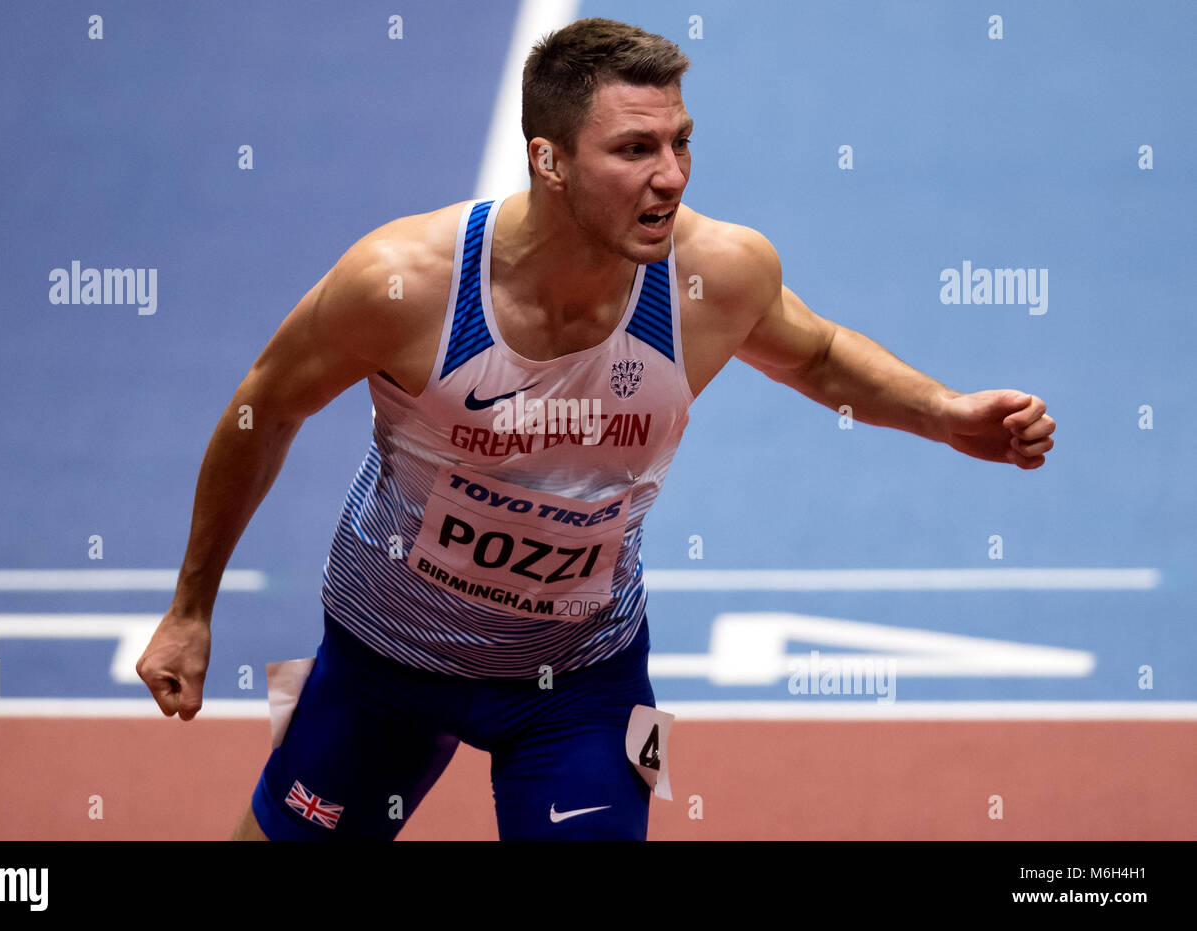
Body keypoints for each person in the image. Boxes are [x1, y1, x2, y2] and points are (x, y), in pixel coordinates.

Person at [135, 18, 1055, 841]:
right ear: (551, 160)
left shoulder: (717, 276)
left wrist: (944, 413)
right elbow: (266, 406)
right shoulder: (406, 284)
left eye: (681, 142)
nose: (672, 175)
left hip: (580, 678)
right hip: (385, 659)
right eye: (635, 149)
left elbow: (814, 355)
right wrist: (190, 607)